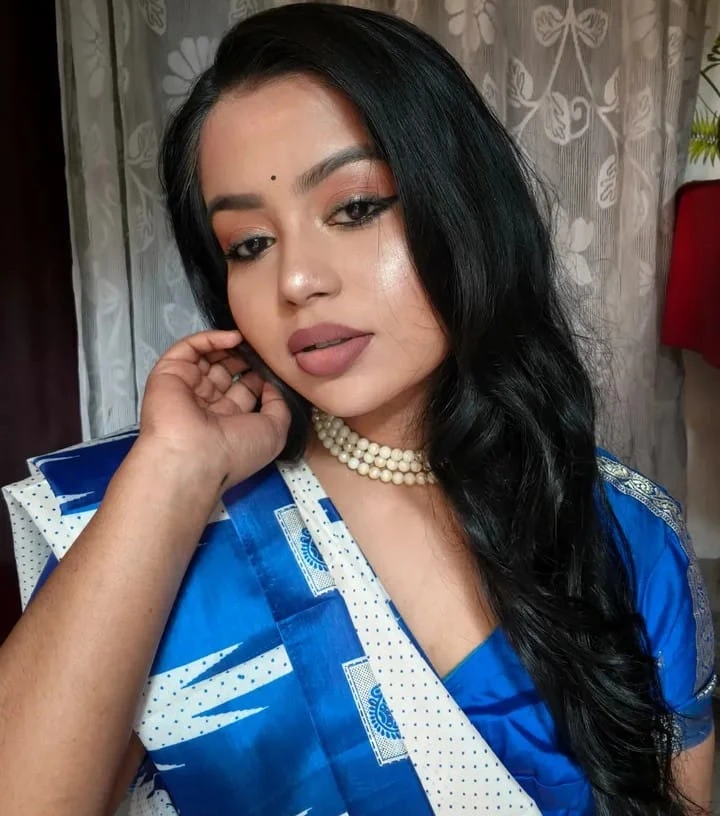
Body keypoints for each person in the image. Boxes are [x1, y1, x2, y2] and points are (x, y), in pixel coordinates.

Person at [0, 3, 714, 814]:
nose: (296, 281)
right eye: (249, 244)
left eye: (355, 208)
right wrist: (171, 471)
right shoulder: (167, 516)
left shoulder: (621, 531)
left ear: (467, 208)